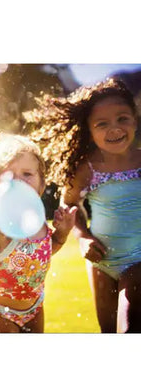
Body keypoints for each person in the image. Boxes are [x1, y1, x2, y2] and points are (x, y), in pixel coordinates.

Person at [25, 78, 141, 333]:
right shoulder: (85, 169)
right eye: (102, 124)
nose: (114, 129)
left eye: (122, 118)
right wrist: (83, 238)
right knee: (108, 330)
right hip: (101, 261)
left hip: (139, 262)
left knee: (130, 326)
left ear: (135, 118)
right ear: (88, 130)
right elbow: (70, 208)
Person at [0, 134, 76, 333]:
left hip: (36, 306)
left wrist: (62, 234)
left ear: (42, 185)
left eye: (27, 174)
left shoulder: (39, 220)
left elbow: (45, 252)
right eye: (8, 175)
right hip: (2, 310)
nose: (18, 181)